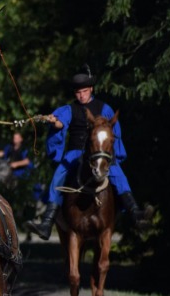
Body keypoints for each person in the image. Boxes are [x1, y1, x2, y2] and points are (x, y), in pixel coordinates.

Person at [26, 67, 150, 240]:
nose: (81, 95)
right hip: (76, 153)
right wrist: (54, 121)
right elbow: (61, 124)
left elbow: (114, 130)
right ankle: (47, 223)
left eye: (84, 91)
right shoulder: (69, 109)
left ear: (91, 89)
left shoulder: (104, 108)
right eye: (78, 92)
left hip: (100, 151)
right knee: (59, 175)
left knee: (118, 174)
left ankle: (136, 214)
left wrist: (112, 154)